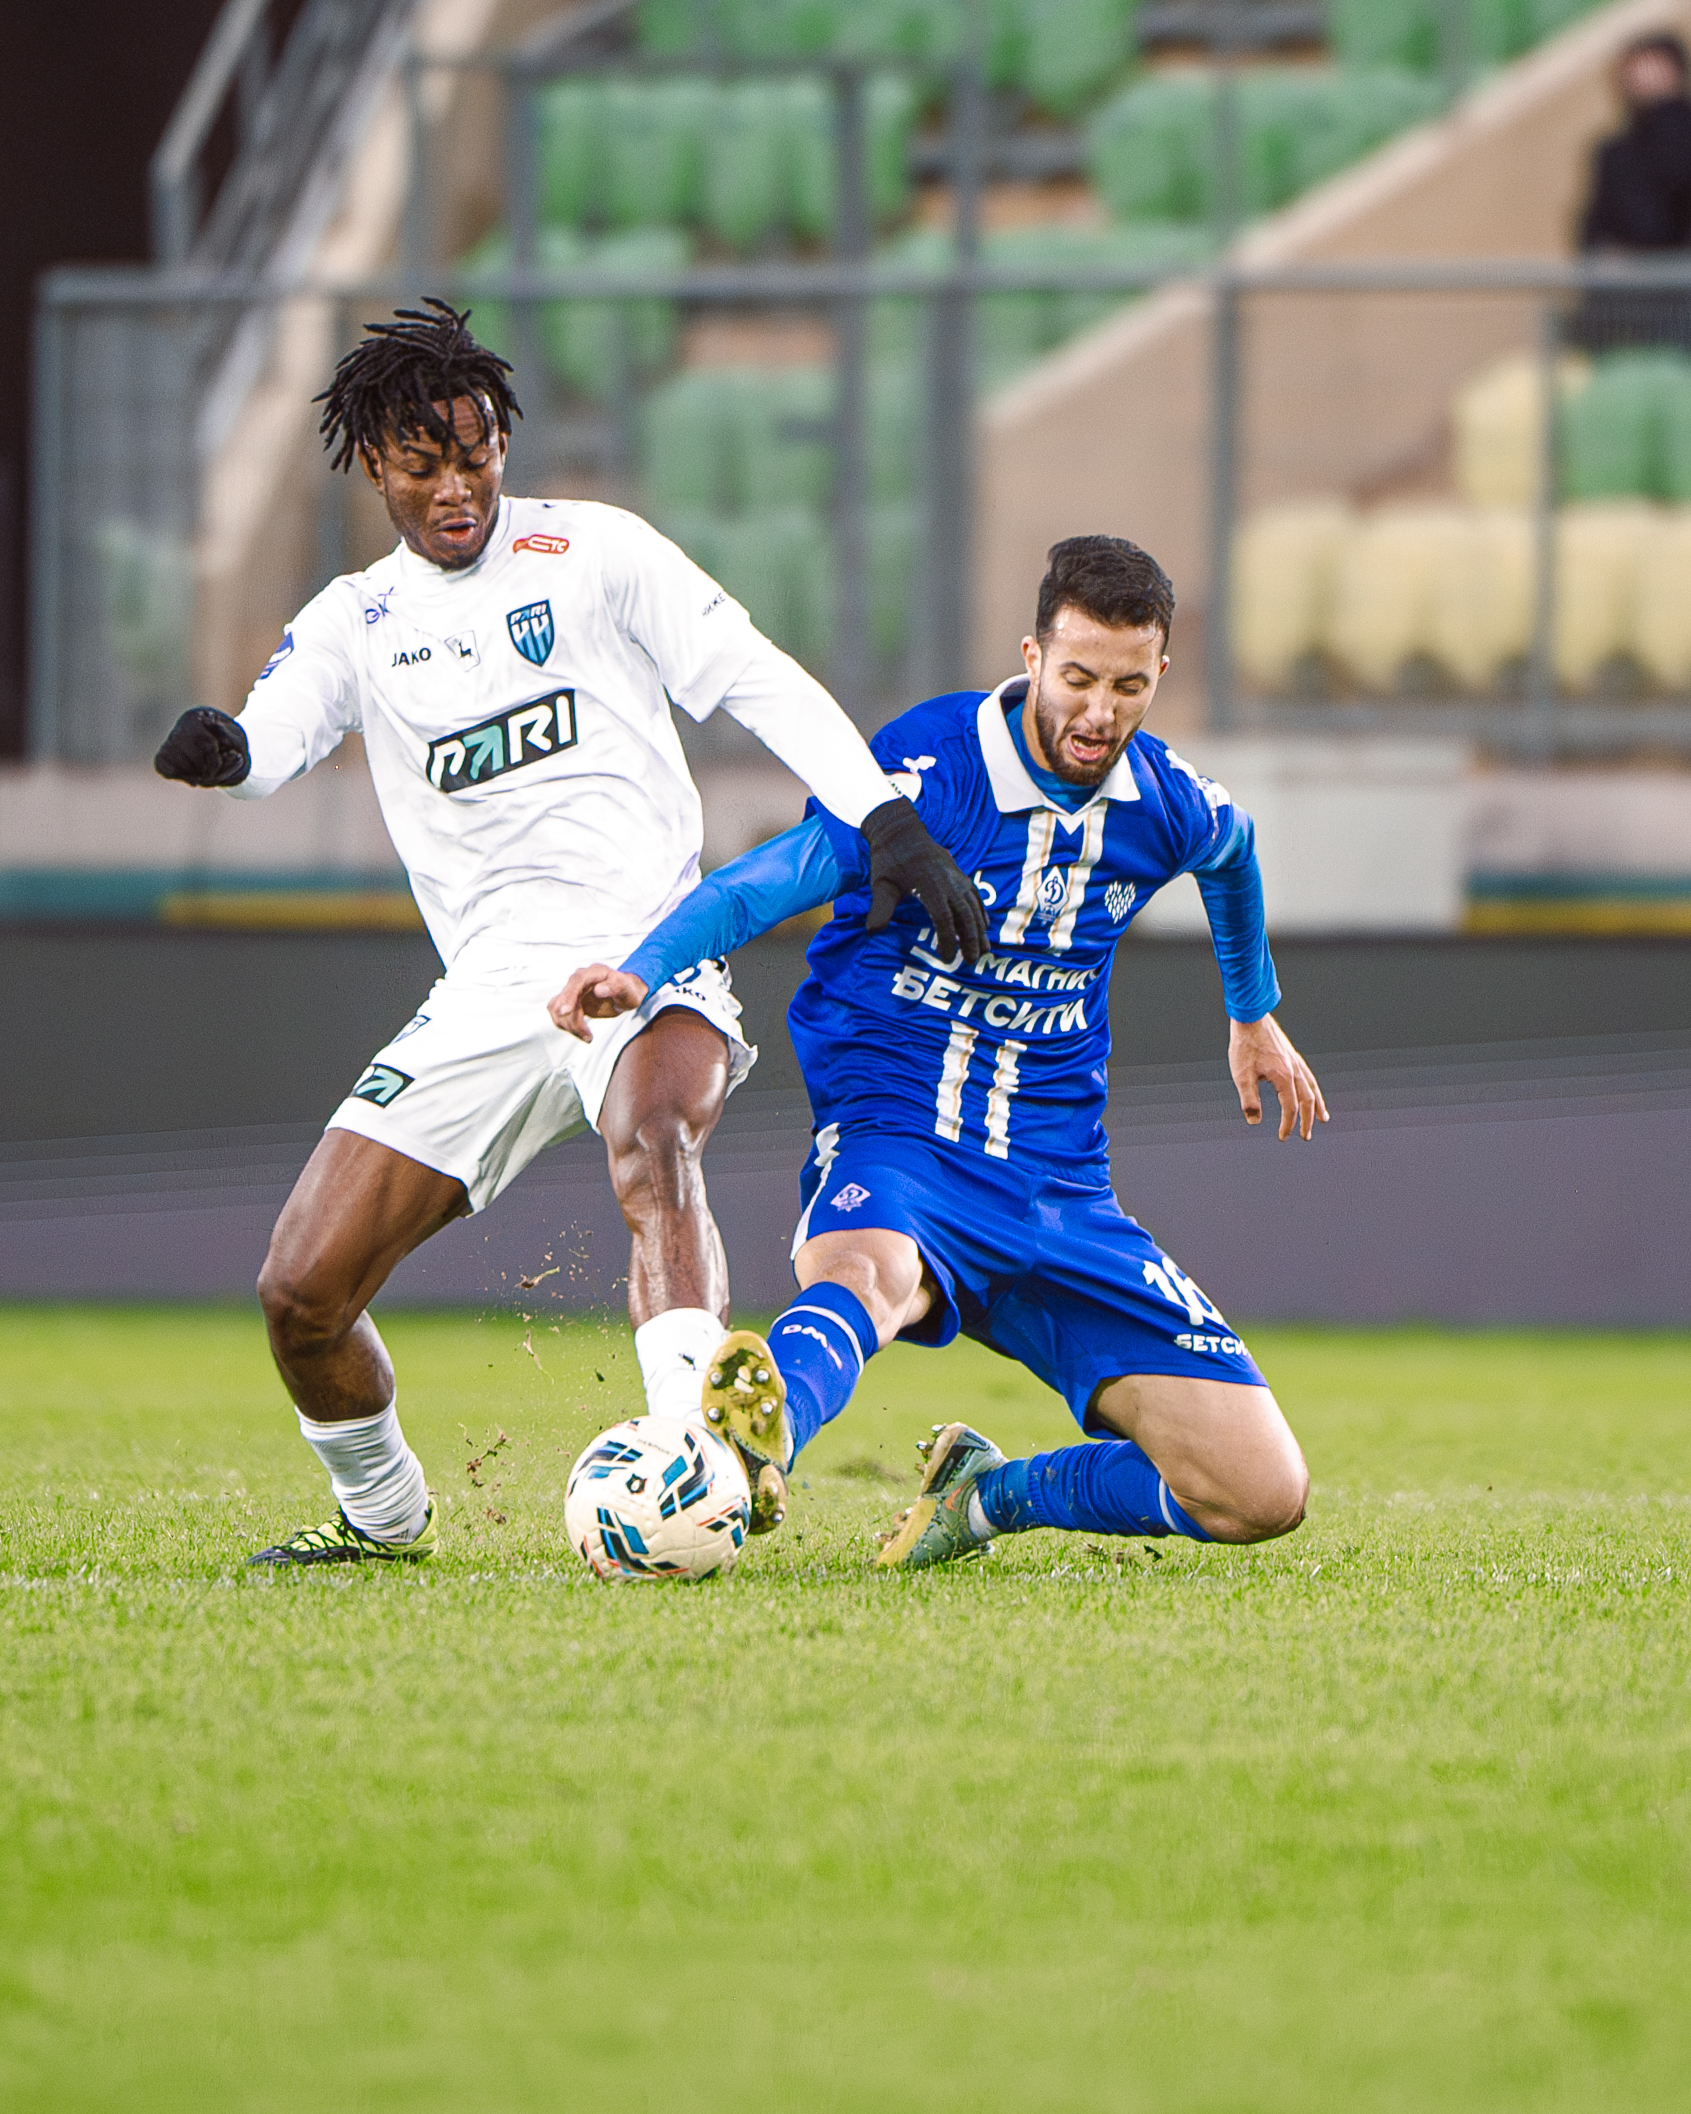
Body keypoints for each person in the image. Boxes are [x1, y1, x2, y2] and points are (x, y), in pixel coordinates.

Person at [152, 299, 984, 1566]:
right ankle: (383, 1517)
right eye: (422, 464)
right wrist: (229, 752)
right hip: (488, 988)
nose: (456, 488)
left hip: (643, 945)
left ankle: (697, 1457)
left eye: (475, 454)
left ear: (502, 443)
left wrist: (881, 815)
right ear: (372, 465)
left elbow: (752, 673)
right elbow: (278, 737)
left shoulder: (594, 551)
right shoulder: (354, 622)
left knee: (655, 1138)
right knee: (301, 1294)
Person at [553, 534, 1327, 1567]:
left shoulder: (1163, 800)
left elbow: (1232, 855)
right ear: (1032, 655)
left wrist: (1252, 1013)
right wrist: (644, 969)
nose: (1099, 712)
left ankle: (989, 1495)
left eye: (1129, 686)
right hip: (899, 1134)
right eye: (1078, 678)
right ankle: (744, 1448)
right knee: (871, 1272)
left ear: (1159, 675)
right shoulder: (932, 769)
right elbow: (769, 879)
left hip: (1059, 1186)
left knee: (1260, 1492)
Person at [1574, 33, 1691, 351]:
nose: (1642, 78)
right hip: (1629, 296)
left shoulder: (1680, 139)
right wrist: (1606, 254)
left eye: (1655, 67)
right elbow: (1594, 224)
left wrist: (1666, 110)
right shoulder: (1613, 154)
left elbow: (1677, 187)